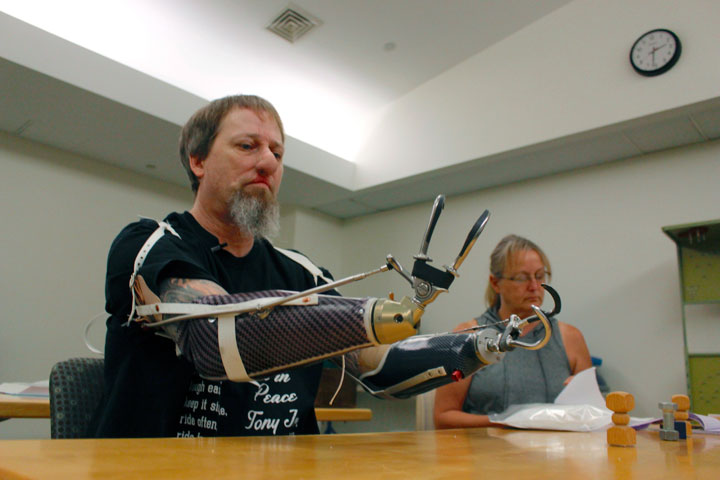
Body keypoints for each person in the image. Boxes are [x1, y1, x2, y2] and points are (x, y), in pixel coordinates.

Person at [91, 95, 340, 438]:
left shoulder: (304, 273)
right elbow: (219, 332)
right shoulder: (146, 244)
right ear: (198, 161)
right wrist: (341, 323)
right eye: (248, 146)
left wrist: (429, 345)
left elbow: (381, 367)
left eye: (277, 153)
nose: (268, 162)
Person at [434, 234, 592, 429]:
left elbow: (593, 414)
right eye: (521, 278)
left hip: (555, 456)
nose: (534, 287)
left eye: (540, 276)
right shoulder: (466, 337)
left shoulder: (570, 338)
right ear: (495, 283)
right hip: (487, 454)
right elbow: (443, 417)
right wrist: (509, 423)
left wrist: (582, 396)